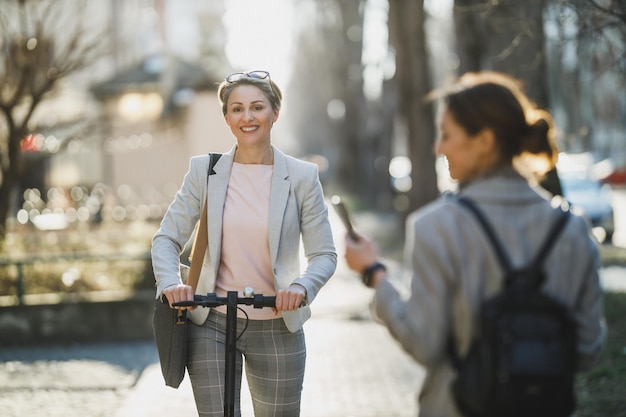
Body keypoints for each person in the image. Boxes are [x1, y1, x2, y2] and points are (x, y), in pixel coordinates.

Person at [343, 71, 606, 417]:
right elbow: (587, 349)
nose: (439, 147)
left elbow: (424, 343)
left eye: (447, 135)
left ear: (484, 140)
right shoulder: (573, 229)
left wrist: (375, 273)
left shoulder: (436, 226)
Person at [152, 70, 337, 416]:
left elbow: (324, 254)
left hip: (279, 323)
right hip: (211, 321)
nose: (247, 117)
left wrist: (301, 286)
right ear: (226, 117)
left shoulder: (301, 177)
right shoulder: (204, 172)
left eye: (257, 107)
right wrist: (171, 284)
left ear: (275, 112)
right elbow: (166, 238)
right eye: (236, 109)